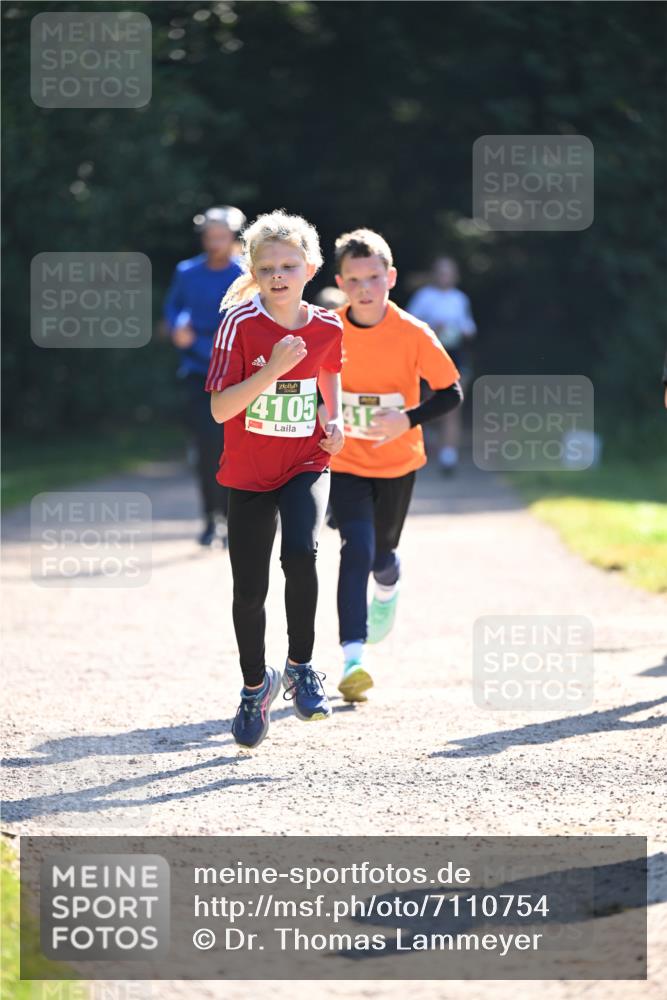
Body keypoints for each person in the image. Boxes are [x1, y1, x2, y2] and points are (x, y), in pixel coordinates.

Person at [205, 210, 344, 749]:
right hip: (248, 471)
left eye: (290, 265)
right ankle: (254, 687)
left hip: (306, 459)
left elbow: (330, 374)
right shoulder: (239, 324)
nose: (279, 275)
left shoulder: (328, 325)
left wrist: (335, 421)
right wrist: (273, 370)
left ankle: (302, 667)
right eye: (268, 268)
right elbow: (220, 409)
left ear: (310, 268)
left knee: (302, 554)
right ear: (254, 272)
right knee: (249, 589)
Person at [328, 229, 462, 702]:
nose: (365, 287)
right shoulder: (328, 329)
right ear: (340, 282)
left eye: (374, 277)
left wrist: (406, 417)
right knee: (355, 549)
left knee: (381, 556)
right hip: (346, 462)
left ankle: (388, 584)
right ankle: (353, 658)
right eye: (354, 279)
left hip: (398, 464)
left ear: (392, 277)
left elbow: (451, 393)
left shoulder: (413, 333)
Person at [163, 205, 246, 545]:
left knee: (235, 448)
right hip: (199, 375)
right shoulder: (187, 271)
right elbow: (173, 308)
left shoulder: (244, 274)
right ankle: (211, 518)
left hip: (237, 377)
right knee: (206, 447)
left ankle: (234, 518)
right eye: (209, 236)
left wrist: (205, 345)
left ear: (233, 238)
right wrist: (177, 326)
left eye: (221, 236)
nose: (214, 243)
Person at [406, 257, 477, 474]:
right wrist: (432, 327)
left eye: (449, 272)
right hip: (428, 355)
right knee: (429, 403)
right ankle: (427, 444)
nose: (444, 277)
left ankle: (448, 456)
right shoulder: (424, 297)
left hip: (454, 354)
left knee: (454, 403)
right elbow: (408, 323)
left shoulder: (460, 299)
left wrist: (463, 330)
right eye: (441, 272)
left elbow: (469, 327)